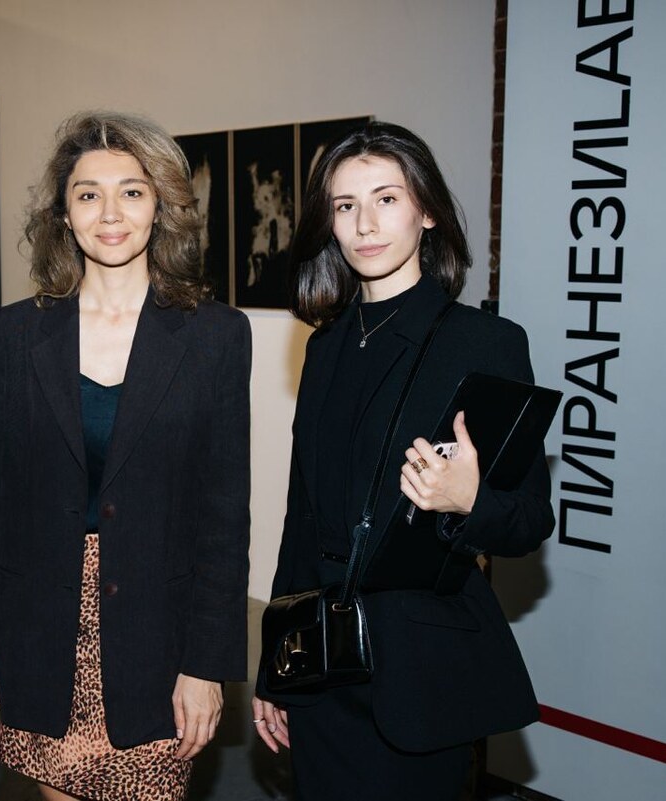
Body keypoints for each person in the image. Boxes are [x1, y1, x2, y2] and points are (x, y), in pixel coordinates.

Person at [251, 122, 554, 799]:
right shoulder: (324, 346)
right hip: (322, 662)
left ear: (428, 211)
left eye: (387, 199)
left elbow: (532, 518)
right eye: (345, 205)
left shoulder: (485, 343)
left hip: (418, 674)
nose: (365, 223)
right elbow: (302, 518)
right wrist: (277, 664)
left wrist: (469, 501)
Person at [0, 112, 251, 801]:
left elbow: (223, 516)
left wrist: (206, 665)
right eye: (88, 194)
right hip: (40, 630)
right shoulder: (16, 333)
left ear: (162, 206)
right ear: (64, 214)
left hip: (157, 634)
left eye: (132, 191)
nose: (110, 213)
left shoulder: (215, 336)